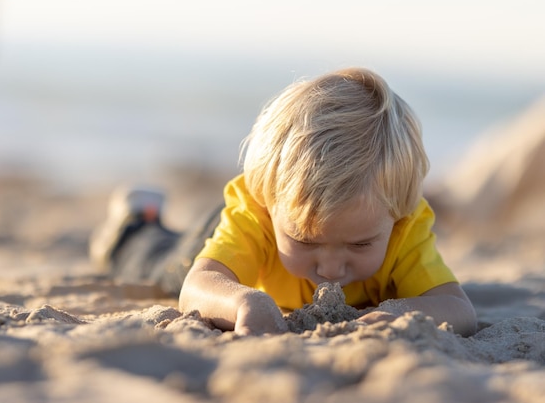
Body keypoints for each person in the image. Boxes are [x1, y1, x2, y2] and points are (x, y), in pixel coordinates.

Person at [89, 67, 477, 337]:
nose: (330, 267)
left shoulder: (401, 224)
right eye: (306, 241)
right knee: (158, 264)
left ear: (398, 215)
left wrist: (397, 313)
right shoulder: (255, 217)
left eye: (359, 244)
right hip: (222, 237)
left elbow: (458, 309)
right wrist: (244, 300)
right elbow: (197, 287)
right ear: (269, 205)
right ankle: (136, 221)